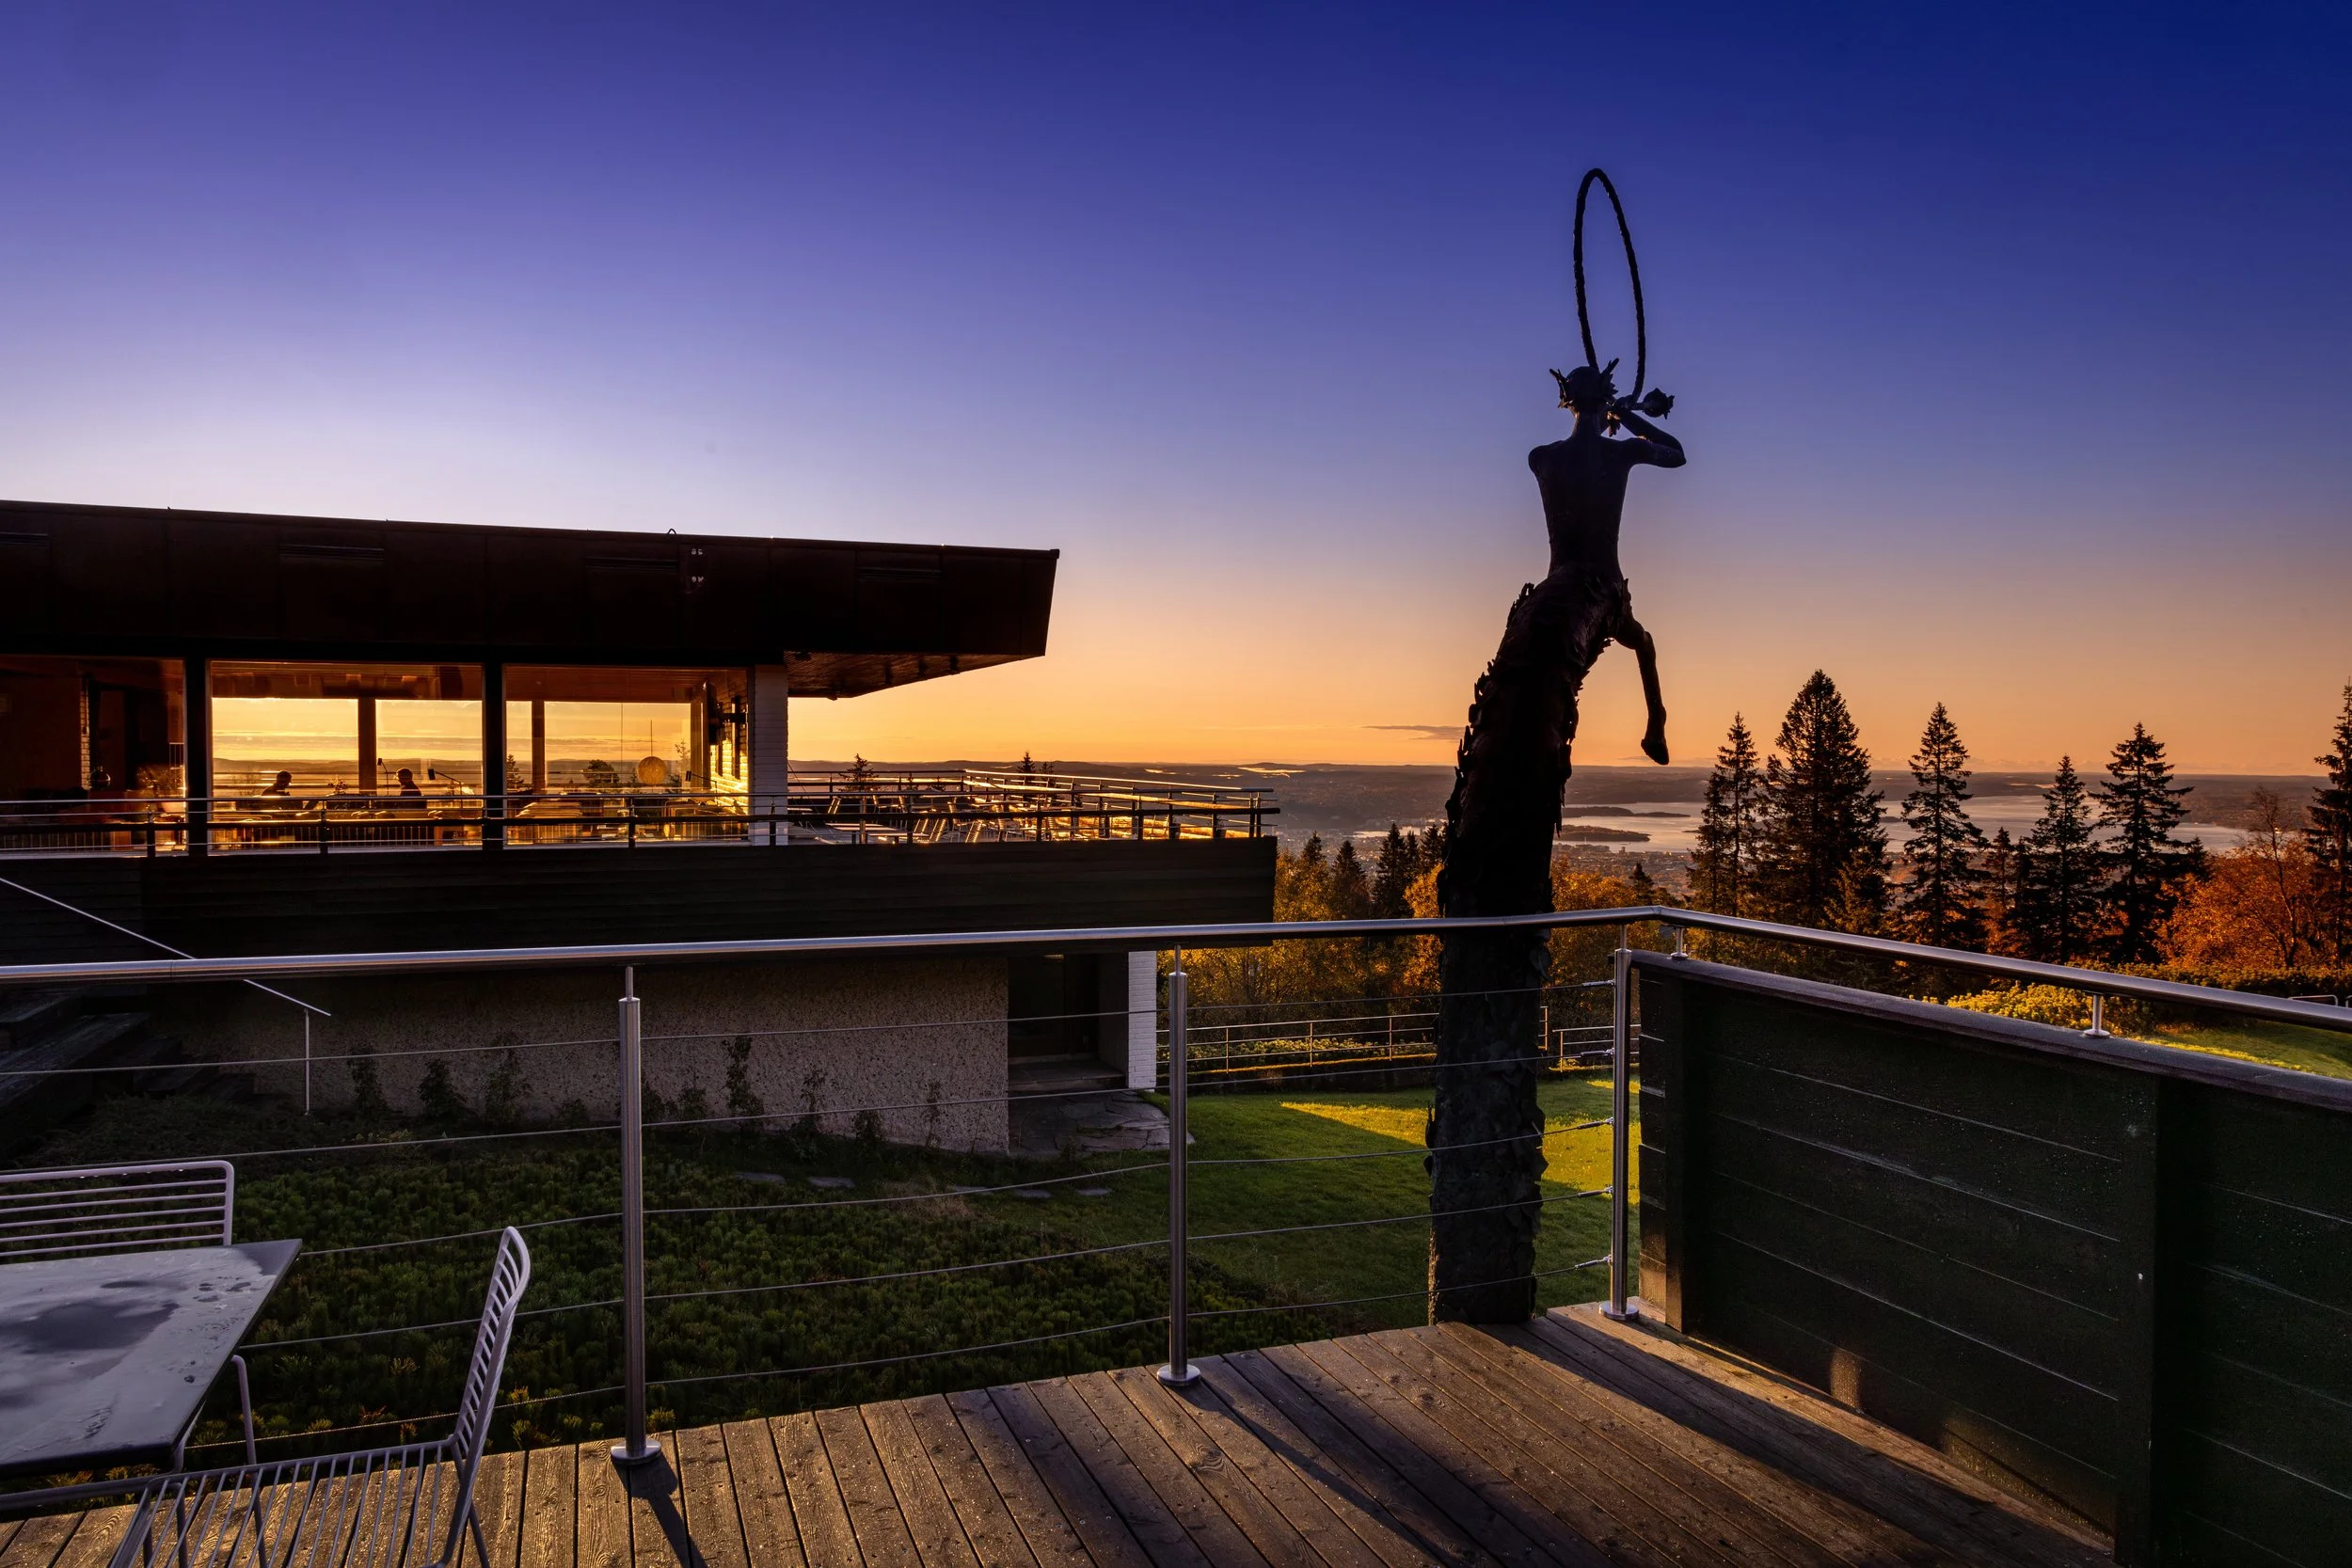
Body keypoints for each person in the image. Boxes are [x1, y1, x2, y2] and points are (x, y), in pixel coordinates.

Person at [1529, 359, 1684, 764]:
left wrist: (1604, 412)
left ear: (1567, 402)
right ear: (1604, 402)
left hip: (1555, 581)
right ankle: (1656, 723)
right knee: (1644, 644)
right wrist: (1627, 415)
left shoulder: (1541, 458)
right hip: (1603, 586)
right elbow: (1677, 453)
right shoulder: (1622, 452)